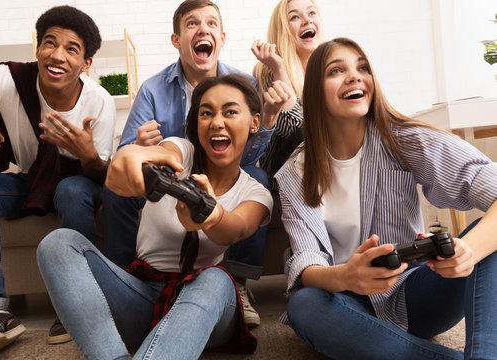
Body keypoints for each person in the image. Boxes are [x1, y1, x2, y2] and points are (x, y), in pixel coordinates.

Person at [276, 37, 497, 359]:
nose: (354, 76)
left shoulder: (406, 140)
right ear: (314, 92)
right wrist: (347, 275)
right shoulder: (293, 174)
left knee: (488, 238)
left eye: (362, 68)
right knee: (304, 304)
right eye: (336, 70)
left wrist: (470, 252)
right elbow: (307, 261)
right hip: (347, 300)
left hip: (416, 292)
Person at [37, 75, 275, 360]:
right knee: (58, 244)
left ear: (254, 122)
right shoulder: (180, 153)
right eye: (206, 113)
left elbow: (235, 229)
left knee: (216, 278)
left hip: (208, 312)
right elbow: (156, 154)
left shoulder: (256, 193)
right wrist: (133, 156)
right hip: (143, 298)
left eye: (230, 111)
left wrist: (210, 216)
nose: (216, 122)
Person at [101, 0, 291, 327]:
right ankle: (126, 280)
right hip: (174, 169)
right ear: (176, 40)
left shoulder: (243, 83)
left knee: (258, 176)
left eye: (211, 23)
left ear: (222, 36)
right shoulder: (153, 89)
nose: (203, 29)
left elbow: (248, 148)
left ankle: (238, 283)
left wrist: (209, 209)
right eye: (192, 24)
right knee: (117, 193)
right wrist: (139, 150)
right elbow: (131, 152)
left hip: (229, 173)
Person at [0, 6, 115, 358]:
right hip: (30, 179)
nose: (57, 55)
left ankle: (76, 304)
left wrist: (88, 154)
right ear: (37, 48)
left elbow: (103, 179)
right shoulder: (8, 80)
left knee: (72, 189)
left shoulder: (98, 102)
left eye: (72, 49)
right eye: (49, 43)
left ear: (87, 63)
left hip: (76, 181)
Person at [252, 0, 323, 178]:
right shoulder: (268, 72)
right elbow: (296, 129)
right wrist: (279, 69)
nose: (307, 21)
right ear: (283, 29)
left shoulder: (330, 70)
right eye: (295, 17)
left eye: (312, 13)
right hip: (285, 171)